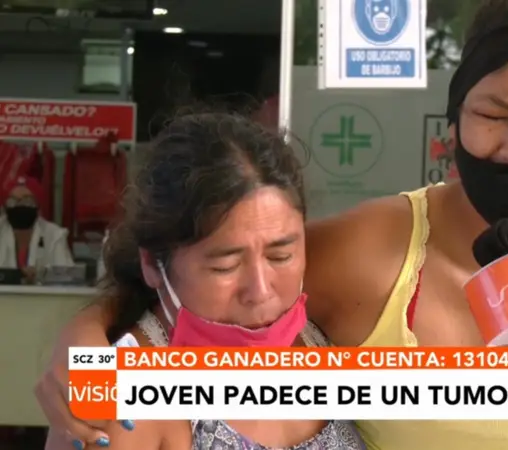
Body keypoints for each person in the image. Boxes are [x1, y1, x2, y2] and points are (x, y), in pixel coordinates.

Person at [35, 0, 508, 449]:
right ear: (454, 119)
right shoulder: (366, 250)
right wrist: (83, 344)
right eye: (493, 114)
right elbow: (199, 278)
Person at [44, 112, 365, 450]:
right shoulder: (122, 405)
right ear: (153, 263)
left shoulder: (326, 328)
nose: (260, 291)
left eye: (280, 256)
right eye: (225, 266)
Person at [0, 175, 74, 272]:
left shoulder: (54, 235)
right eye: (12, 201)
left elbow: (66, 275)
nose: (19, 205)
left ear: (38, 205)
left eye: (27, 200)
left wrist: (40, 275)